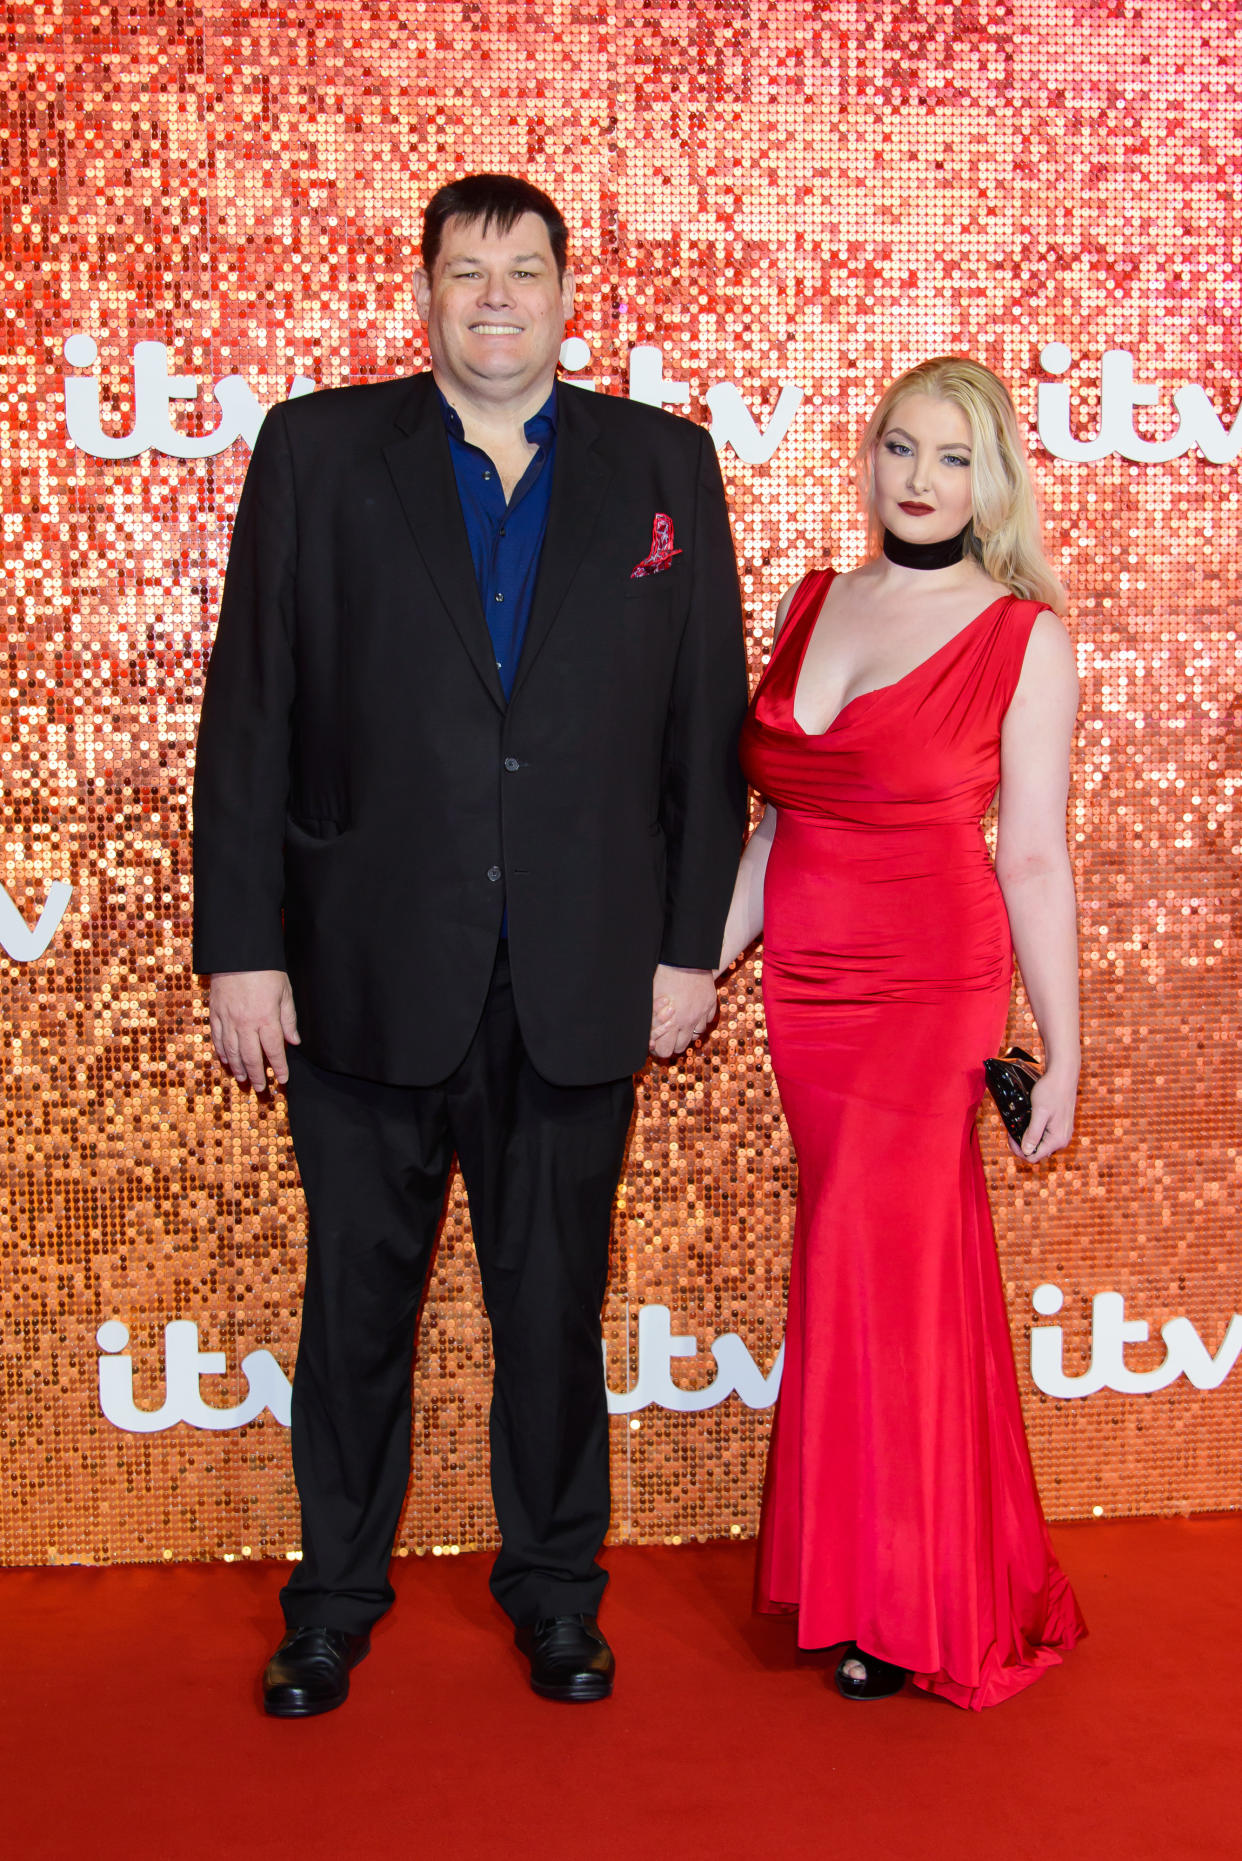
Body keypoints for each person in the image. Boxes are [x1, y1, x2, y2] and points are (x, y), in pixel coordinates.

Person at [193, 173, 747, 1716]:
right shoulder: (317, 451)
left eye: (523, 270)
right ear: (423, 292)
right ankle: (332, 1602)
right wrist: (243, 946)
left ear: (571, 291)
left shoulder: (661, 465)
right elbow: (251, 713)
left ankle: (557, 1592)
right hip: (363, 974)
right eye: (464, 272)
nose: (493, 297)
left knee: (554, 1313)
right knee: (353, 1309)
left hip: (580, 978)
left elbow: (703, 737)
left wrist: (688, 947)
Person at [711, 356, 1087, 1709]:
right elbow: (773, 824)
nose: (915, 479)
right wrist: (693, 964)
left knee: (885, 1269)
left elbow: (1032, 857)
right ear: (866, 458)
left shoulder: (1021, 635)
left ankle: (910, 1598)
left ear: (989, 480)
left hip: (928, 987)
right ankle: (879, 1573)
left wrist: (1063, 1044)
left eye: (947, 456)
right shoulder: (818, 599)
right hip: (805, 990)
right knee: (870, 1268)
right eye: (895, 449)